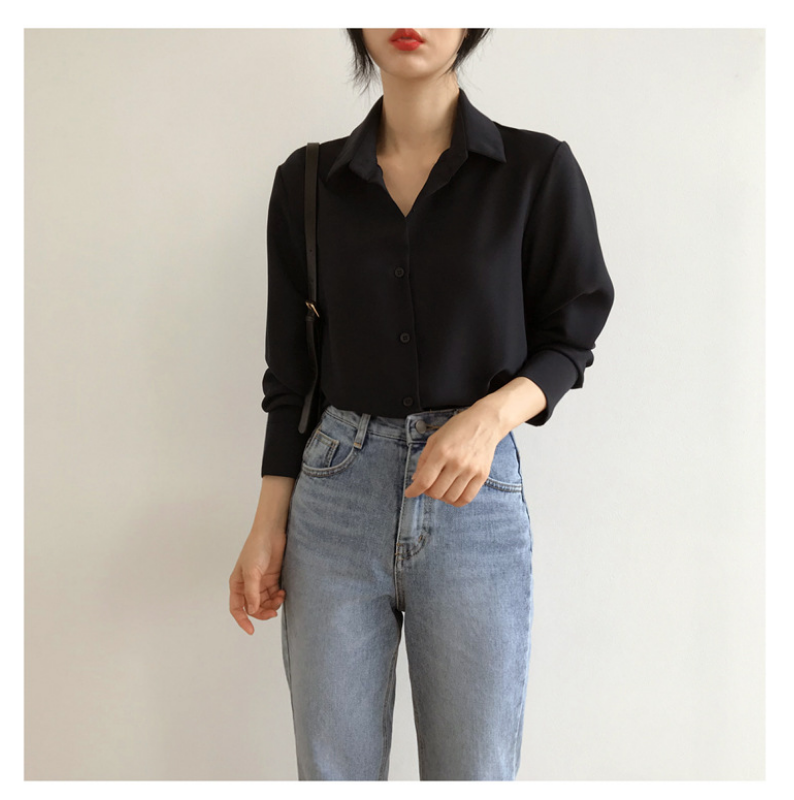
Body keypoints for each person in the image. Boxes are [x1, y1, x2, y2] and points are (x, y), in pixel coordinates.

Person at [229, 28, 615, 780]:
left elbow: (572, 332)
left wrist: (491, 416)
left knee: (474, 773)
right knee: (332, 775)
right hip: (333, 504)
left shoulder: (535, 170)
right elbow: (293, 376)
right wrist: (267, 524)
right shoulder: (307, 183)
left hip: (474, 498)